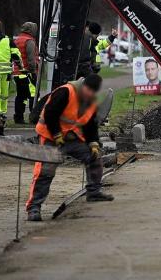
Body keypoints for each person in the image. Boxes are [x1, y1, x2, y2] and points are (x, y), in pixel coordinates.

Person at [26, 74, 113, 222]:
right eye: (88, 90)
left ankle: (94, 192)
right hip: (50, 136)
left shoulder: (90, 102)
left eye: (93, 92)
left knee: (94, 157)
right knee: (46, 170)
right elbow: (50, 114)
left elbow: (90, 126)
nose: (90, 94)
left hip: (70, 139)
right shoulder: (66, 92)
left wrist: (93, 143)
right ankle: (34, 208)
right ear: (83, 85)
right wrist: (57, 134)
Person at [0, 20, 22, 130]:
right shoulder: (8, 40)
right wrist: (20, 66)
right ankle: (3, 115)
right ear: (1, 28)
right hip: (6, 72)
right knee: (4, 94)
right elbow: (16, 55)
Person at [13, 22, 38, 124]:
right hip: (27, 73)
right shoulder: (29, 41)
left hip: (17, 72)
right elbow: (31, 59)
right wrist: (33, 72)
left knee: (21, 96)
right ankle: (33, 116)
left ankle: (18, 117)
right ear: (31, 29)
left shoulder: (17, 39)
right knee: (33, 95)